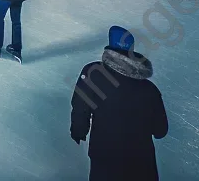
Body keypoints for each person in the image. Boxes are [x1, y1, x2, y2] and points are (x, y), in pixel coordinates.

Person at [70, 26, 168, 180]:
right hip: (143, 164)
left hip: (104, 157)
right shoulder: (150, 90)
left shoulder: (93, 73)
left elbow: (80, 107)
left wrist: (78, 131)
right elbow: (161, 131)